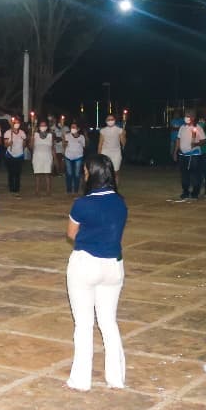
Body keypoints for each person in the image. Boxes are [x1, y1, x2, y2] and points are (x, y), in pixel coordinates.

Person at [65, 154, 128, 391]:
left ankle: (81, 380)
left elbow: (71, 234)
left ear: (91, 175)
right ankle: (116, 377)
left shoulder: (82, 204)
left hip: (85, 264)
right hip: (113, 265)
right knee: (108, 322)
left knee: (83, 324)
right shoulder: (120, 202)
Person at [173, 113, 205, 201]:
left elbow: (203, 141)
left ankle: (195, 192)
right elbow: (178, 140)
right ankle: (185, 191)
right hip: (183, 154)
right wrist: (175, 152)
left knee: (195, 174)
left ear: (193, 118)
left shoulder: (198, 127)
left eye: (188, 116)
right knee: (184, 174)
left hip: (194, 154)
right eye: (186, 116)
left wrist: (196, 144)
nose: (186, 118)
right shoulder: (182, 127)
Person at [3, 116, 27, 196]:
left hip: (19, 155)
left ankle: (17, 188)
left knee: (17, 173)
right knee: (11, 172)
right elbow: (5, 145)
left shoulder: (22, 133)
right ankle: (11, 187)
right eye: (14, 122)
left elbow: (24, 144)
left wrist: (21, 151)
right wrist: (9, 144)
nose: (16, 124)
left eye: (17, 122)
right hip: (10, 155)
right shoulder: (7, 132)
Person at [31, 118, 54, 197]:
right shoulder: (35, 135)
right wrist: (32, 136)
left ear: (47, 127)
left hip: (47, 156)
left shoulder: (50, 135)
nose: (43, 127)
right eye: (41, 125)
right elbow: (31, 146)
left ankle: (48, 190)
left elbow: (52, 147)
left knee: (47, 174)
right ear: (39, 126)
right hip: (37, 156)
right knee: (37, 174)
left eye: (44, 125)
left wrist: (55, 159)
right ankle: (37, 190)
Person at [98, 114, 127, 180]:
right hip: (105, 152)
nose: (110, 121)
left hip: (116, 152)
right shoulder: (103, 130)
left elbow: (123, 143)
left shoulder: (119, 130)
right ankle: (106, 187)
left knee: (115, 172)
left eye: (112, 119)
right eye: (108, 119)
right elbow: (100, 143)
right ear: (106, 121)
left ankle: (114, 189)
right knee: (105, 171)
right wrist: (99, 155)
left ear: (114, 120)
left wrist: (123, 135)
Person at [63, 122, 87, 195]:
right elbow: (64, 145)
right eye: (71, 127)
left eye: (74, 127)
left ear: (78, 129)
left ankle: (76, 190)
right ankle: (69, 190)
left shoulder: (82, 137)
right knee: (69, 174)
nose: (72, 129)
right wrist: (64, 142)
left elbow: (84, 146)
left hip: (78, 157)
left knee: (77, 174)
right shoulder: (67, 135)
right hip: (68, 156)